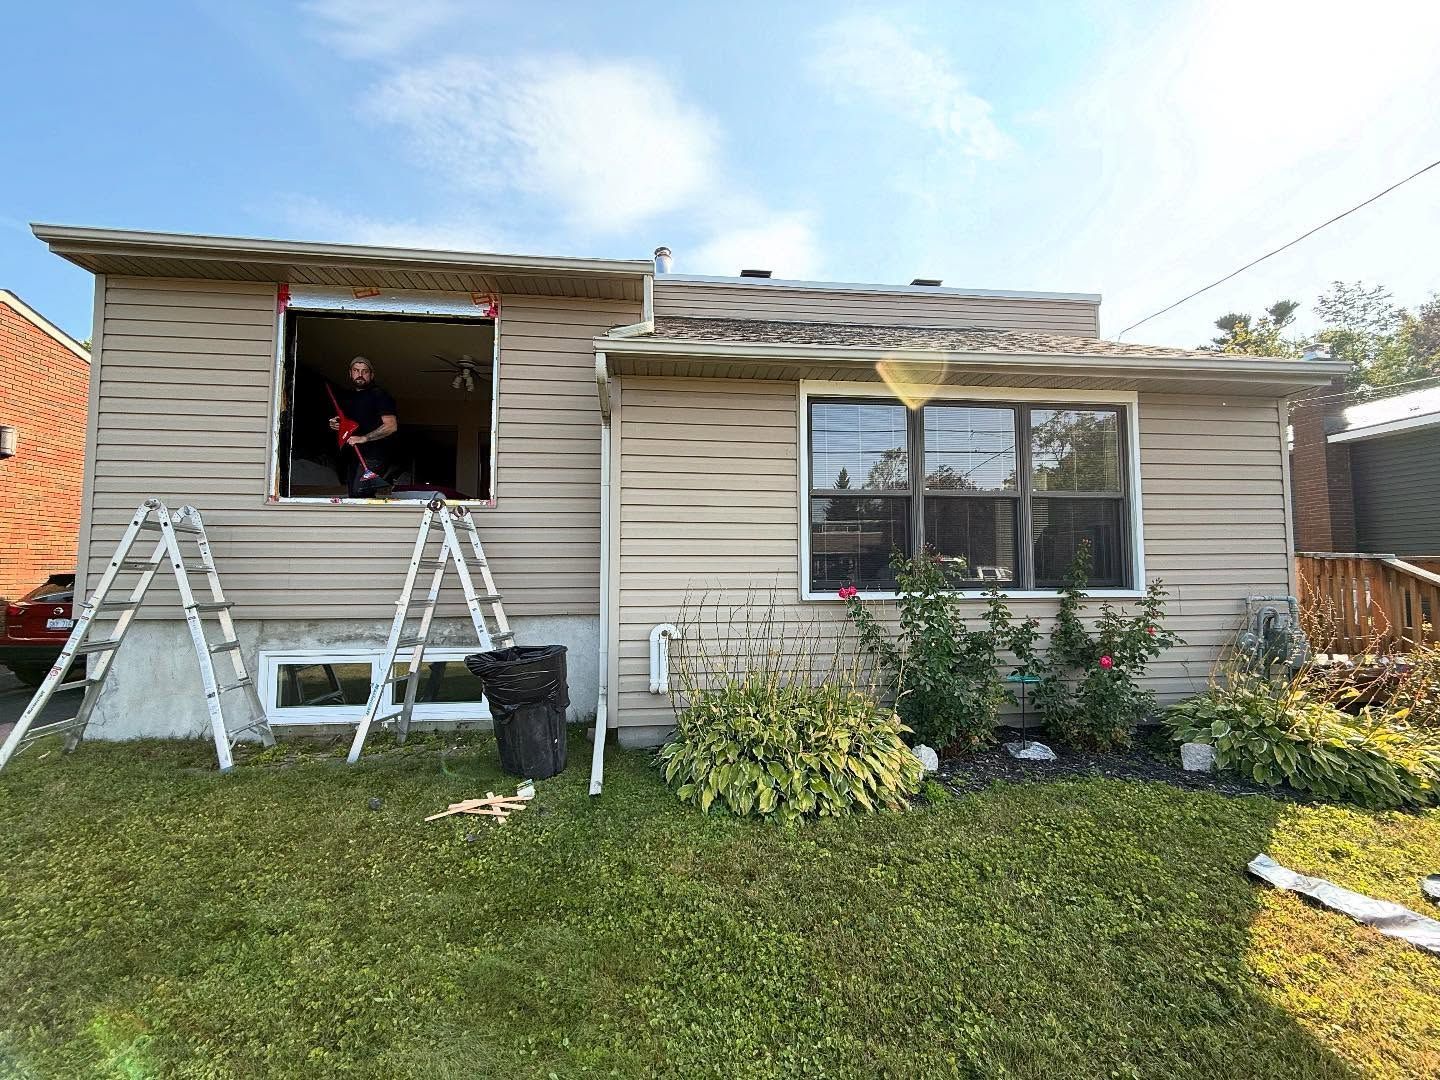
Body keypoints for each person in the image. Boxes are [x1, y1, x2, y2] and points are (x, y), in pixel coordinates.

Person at [329, 356, 399, 496]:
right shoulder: (349, 397)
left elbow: (391, 426)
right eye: (356, 370)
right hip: (353, 456)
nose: (360, 374)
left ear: (371, 375)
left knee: (360, 494)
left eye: (364, 371)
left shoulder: (379, 395)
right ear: (350, 373)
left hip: (373, 456)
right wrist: (338, 424)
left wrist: (364, 438)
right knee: (354, 495)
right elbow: (350, 424)